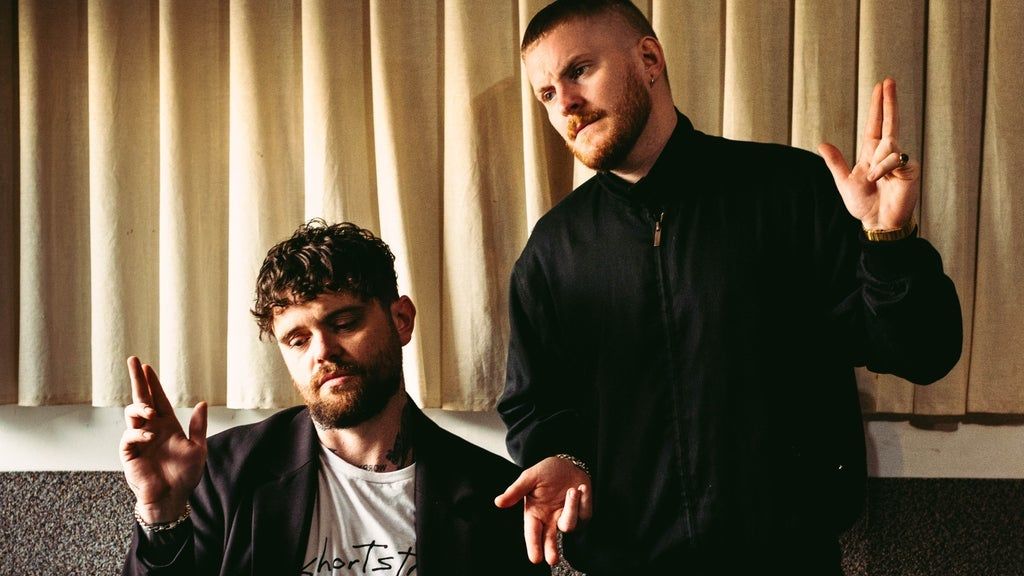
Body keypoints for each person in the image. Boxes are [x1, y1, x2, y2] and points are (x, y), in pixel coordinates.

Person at [493, 1, 963, 574]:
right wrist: (558, 456)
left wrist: (888, 240)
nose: (565, 102)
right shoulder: (550, 253)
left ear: (649, 59)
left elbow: (925, 353)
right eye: (546, 93)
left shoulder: (791, 191)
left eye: (580, 70)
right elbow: (534, 403)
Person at [121, 219, 546, 576]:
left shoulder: (498, 494)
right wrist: (161, 514)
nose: (322, 352)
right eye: (298, 340)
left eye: (343, 323)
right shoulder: (221, 472)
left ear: (401, 320)